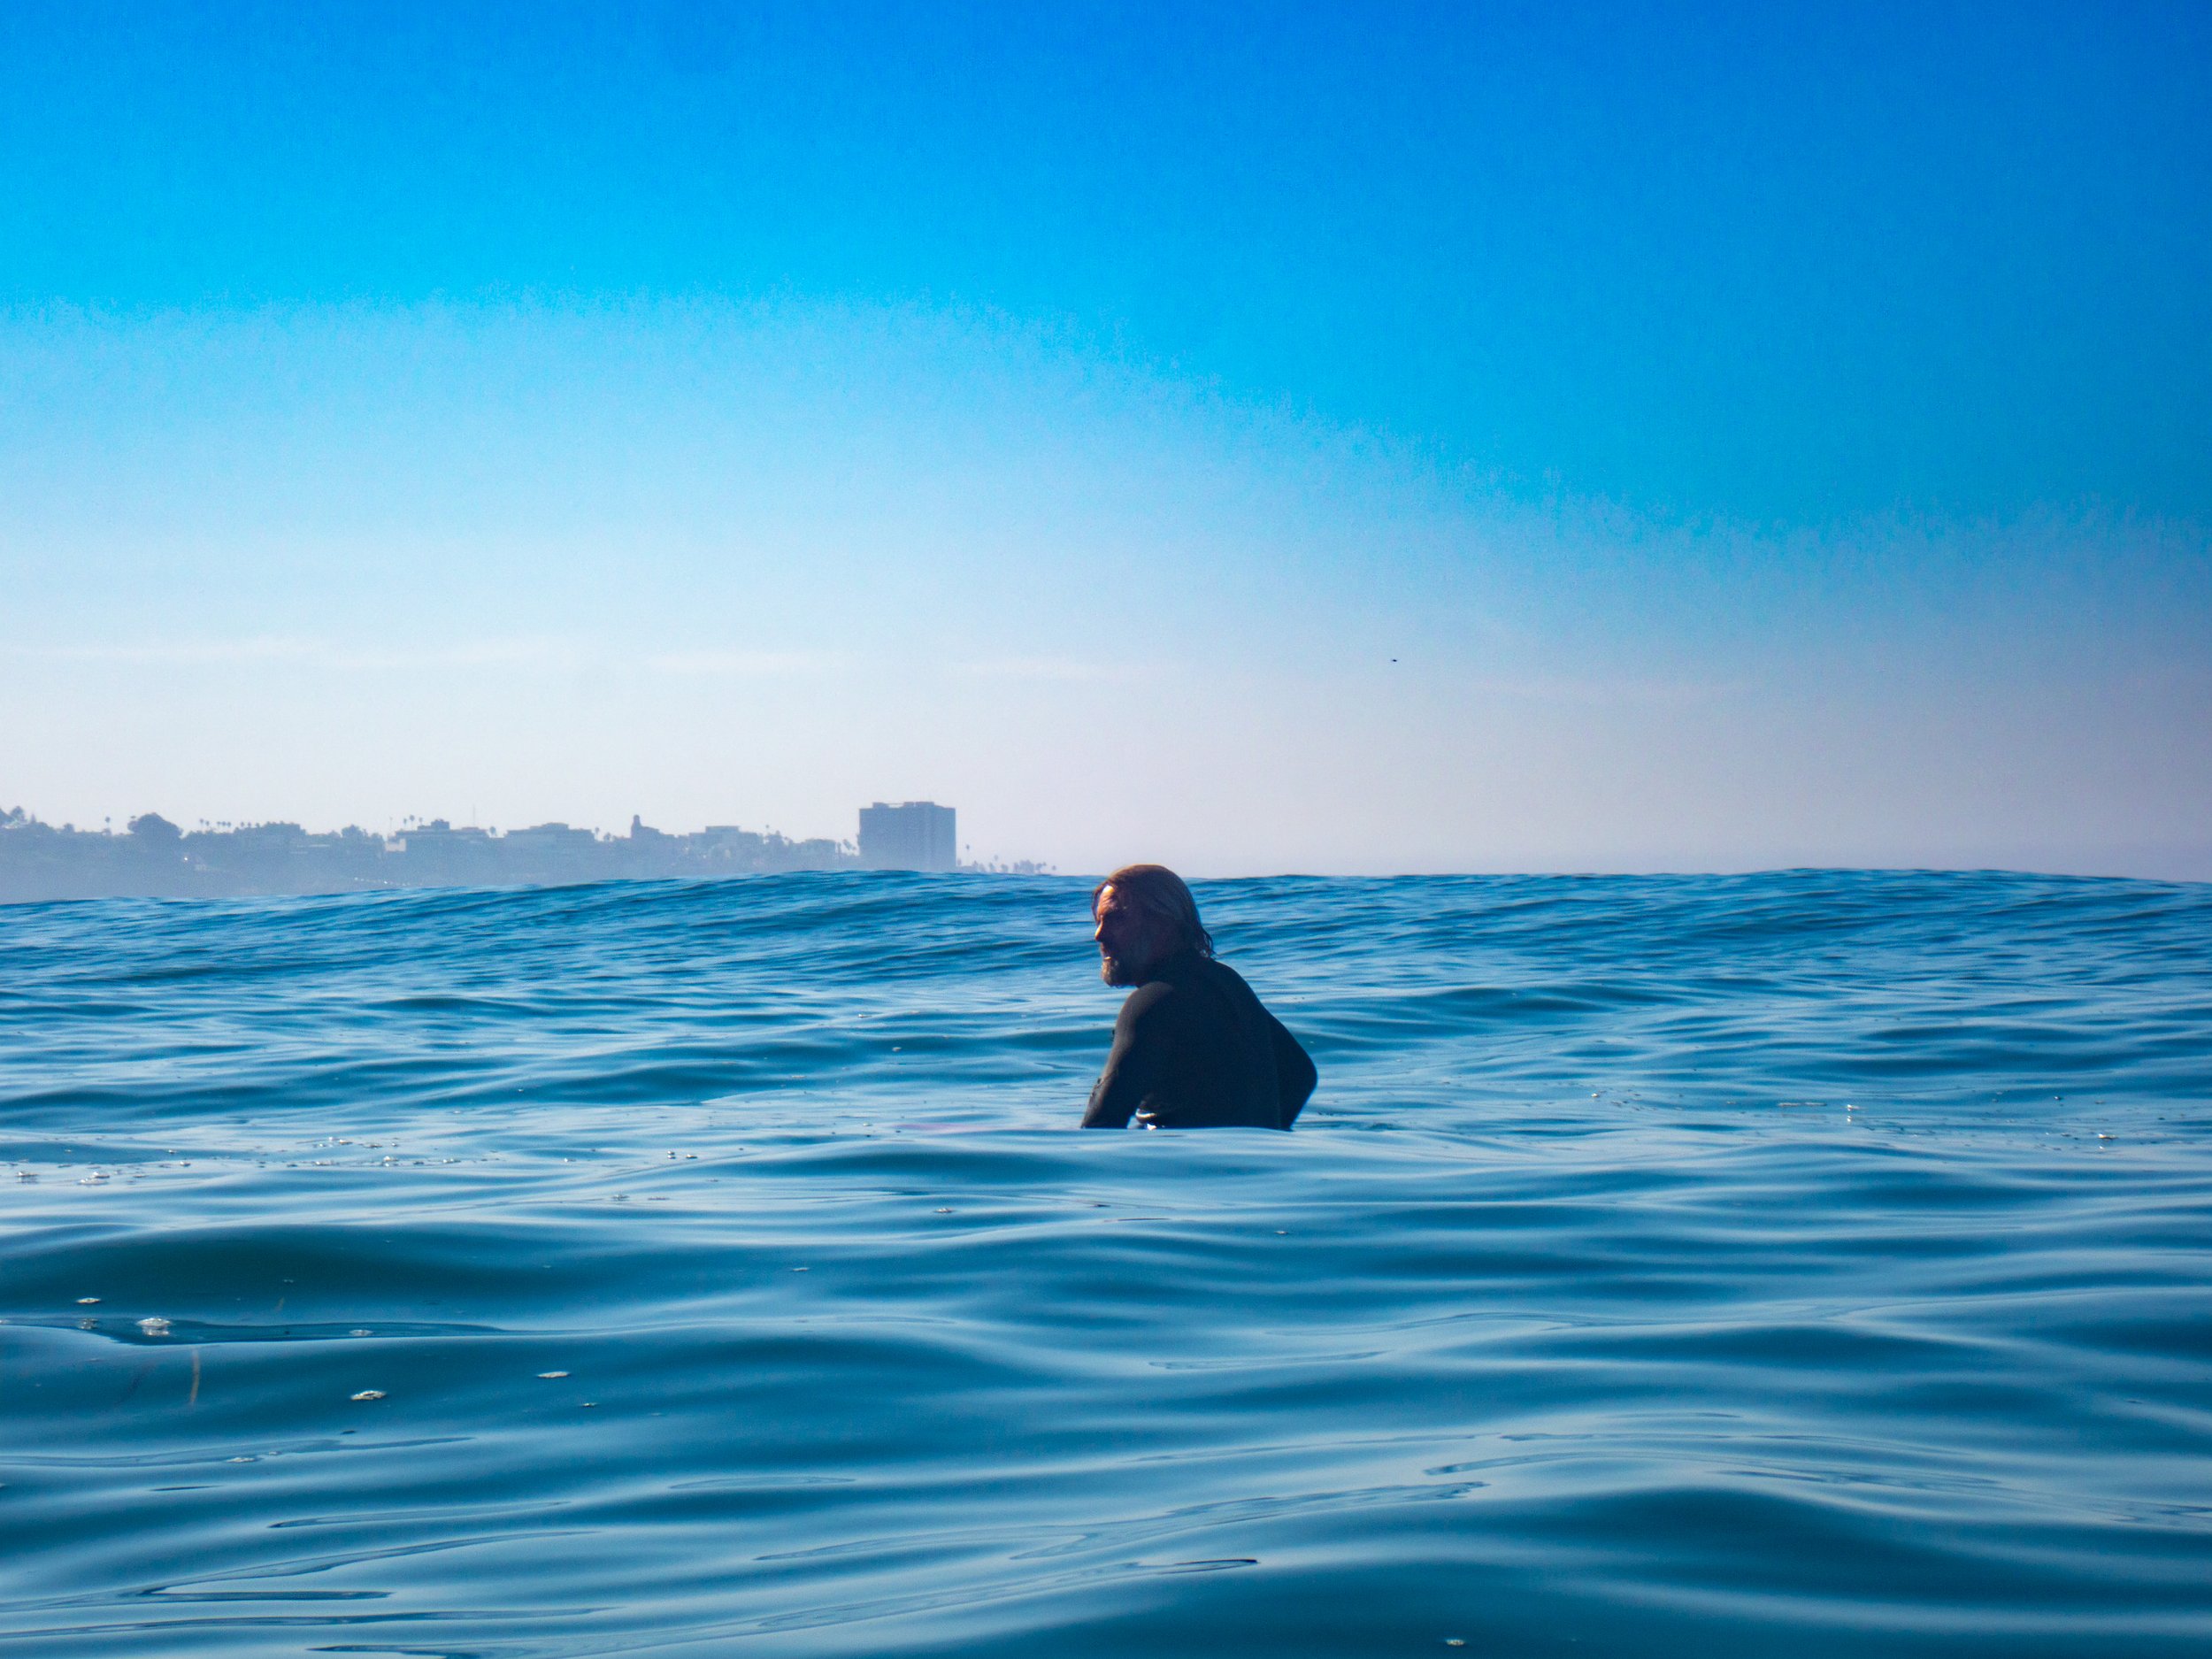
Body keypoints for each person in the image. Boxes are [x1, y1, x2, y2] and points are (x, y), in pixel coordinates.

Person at [1081, 864, 1317, 1130]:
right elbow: (1300, 1075)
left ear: (1163, 924)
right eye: (1099, 922)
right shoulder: (1226, 983)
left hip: (1180, 1166)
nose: (1099, 935)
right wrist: (1259, 1133)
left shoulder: (1152, 1003)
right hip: (1254, 1162)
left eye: (1115, 918)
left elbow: (1102, 1121)